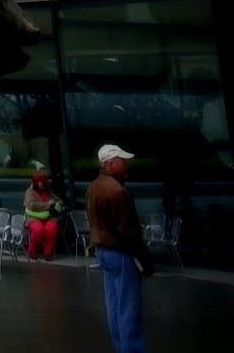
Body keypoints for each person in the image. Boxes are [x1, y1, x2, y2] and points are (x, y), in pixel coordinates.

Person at [86, 143, 153, 353]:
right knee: (129, 309)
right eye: (122, 161)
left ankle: (122, 348)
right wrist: (144, 257)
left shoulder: (93, 188)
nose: (126, 165)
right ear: (111, 163)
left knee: (114, 307)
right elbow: (128, 230)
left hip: (103, 251)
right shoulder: (117, 191)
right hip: (122, 253)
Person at [23, 167, 64, 260]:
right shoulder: (30, 192)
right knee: (38, 230)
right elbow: (31, 205)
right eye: (42, 183)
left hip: (48, 217)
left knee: (52, 228)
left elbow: (57, 199)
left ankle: (48, 253)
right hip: (33, 217)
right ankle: (32, 251)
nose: (44, 185)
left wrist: (58, 204)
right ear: (37, 182)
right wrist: (48, 205)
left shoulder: (48, 191)